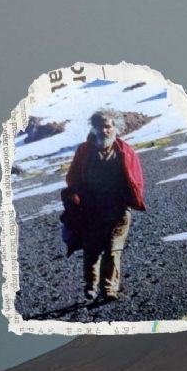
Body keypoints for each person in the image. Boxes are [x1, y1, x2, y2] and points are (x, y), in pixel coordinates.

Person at [65, 109, 146, 301]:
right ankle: (91, 286)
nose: (104, 131)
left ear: (115, 128)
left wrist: (132, 199)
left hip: (118, 210)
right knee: (92, 249)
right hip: (91, 210)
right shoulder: (84, 151)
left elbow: (136, 178)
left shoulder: (125, 151)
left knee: (113, 249)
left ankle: (109, 289)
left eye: (108, 126)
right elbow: (73, 177)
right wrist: (76, 199)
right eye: (100, 127)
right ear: (93, 129)